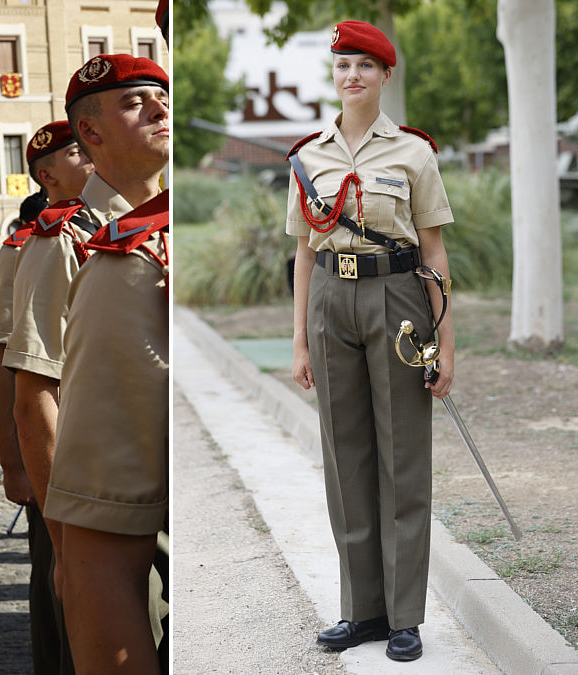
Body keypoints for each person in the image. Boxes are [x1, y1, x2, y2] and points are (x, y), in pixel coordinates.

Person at [287, 21, 454, 663]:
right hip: (332, 299)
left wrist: (446, 347)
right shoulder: (310, 155)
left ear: (386, 75)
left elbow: (434, 252)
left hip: (400, 302)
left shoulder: (413, 154)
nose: (351, 75)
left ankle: (405, 616)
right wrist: (300, 338)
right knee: (345, 458)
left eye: (364, 65)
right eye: (341, 65)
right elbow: (304, 251)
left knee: (402, 458)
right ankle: (362, 611)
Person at [40, 54, 170, 675]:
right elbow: (36, 388)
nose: (161, 107)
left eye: (163, 94)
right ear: (88, 133)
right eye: (135, 100)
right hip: (109, 477)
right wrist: (60, 542)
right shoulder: (79, 244)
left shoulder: (159, 233)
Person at [0, 120, 92, 675]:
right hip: (58, 444)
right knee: (59, 582)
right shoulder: (33, 248)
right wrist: (14, 463)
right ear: (47, 174)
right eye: (78, 151)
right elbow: (8, 365)